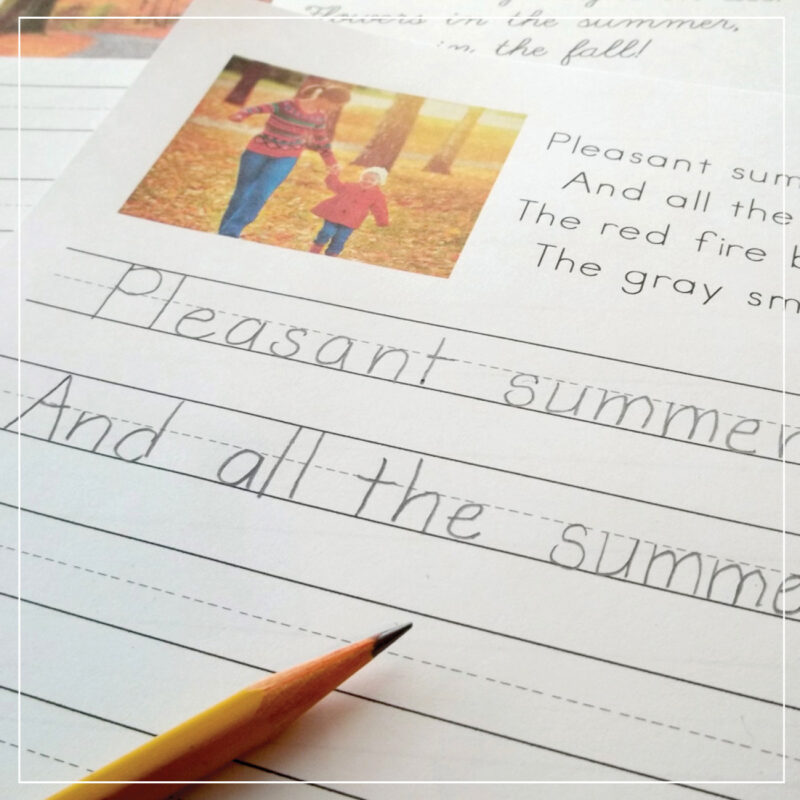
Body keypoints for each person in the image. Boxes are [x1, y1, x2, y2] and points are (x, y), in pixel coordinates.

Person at [219, 84, 350, 238]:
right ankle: (224, 232)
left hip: (286, 157)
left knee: (261, 193)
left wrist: (331, 162)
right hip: (257, 151)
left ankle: (231, 231)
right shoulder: (287, 105)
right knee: (242, 192)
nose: (336, 109)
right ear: (327, 99)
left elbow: (321, 140)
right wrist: (241, 115)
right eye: (336, 105)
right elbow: (257, 108)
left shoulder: (319, 117)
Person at [309, 166, 389, 257]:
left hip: (351, 221)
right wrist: (332, 176)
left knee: (340, 239)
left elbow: (380, 209)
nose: (367, 181)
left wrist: (382, 221)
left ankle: (331, 256)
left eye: (372, 180)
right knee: (326, 232)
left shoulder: (377, 195)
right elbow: (335, 186)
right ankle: (313, 252)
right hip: (334, 216)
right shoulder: (350, 186)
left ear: (378, 182)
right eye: (365, 178)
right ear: (361, 178)